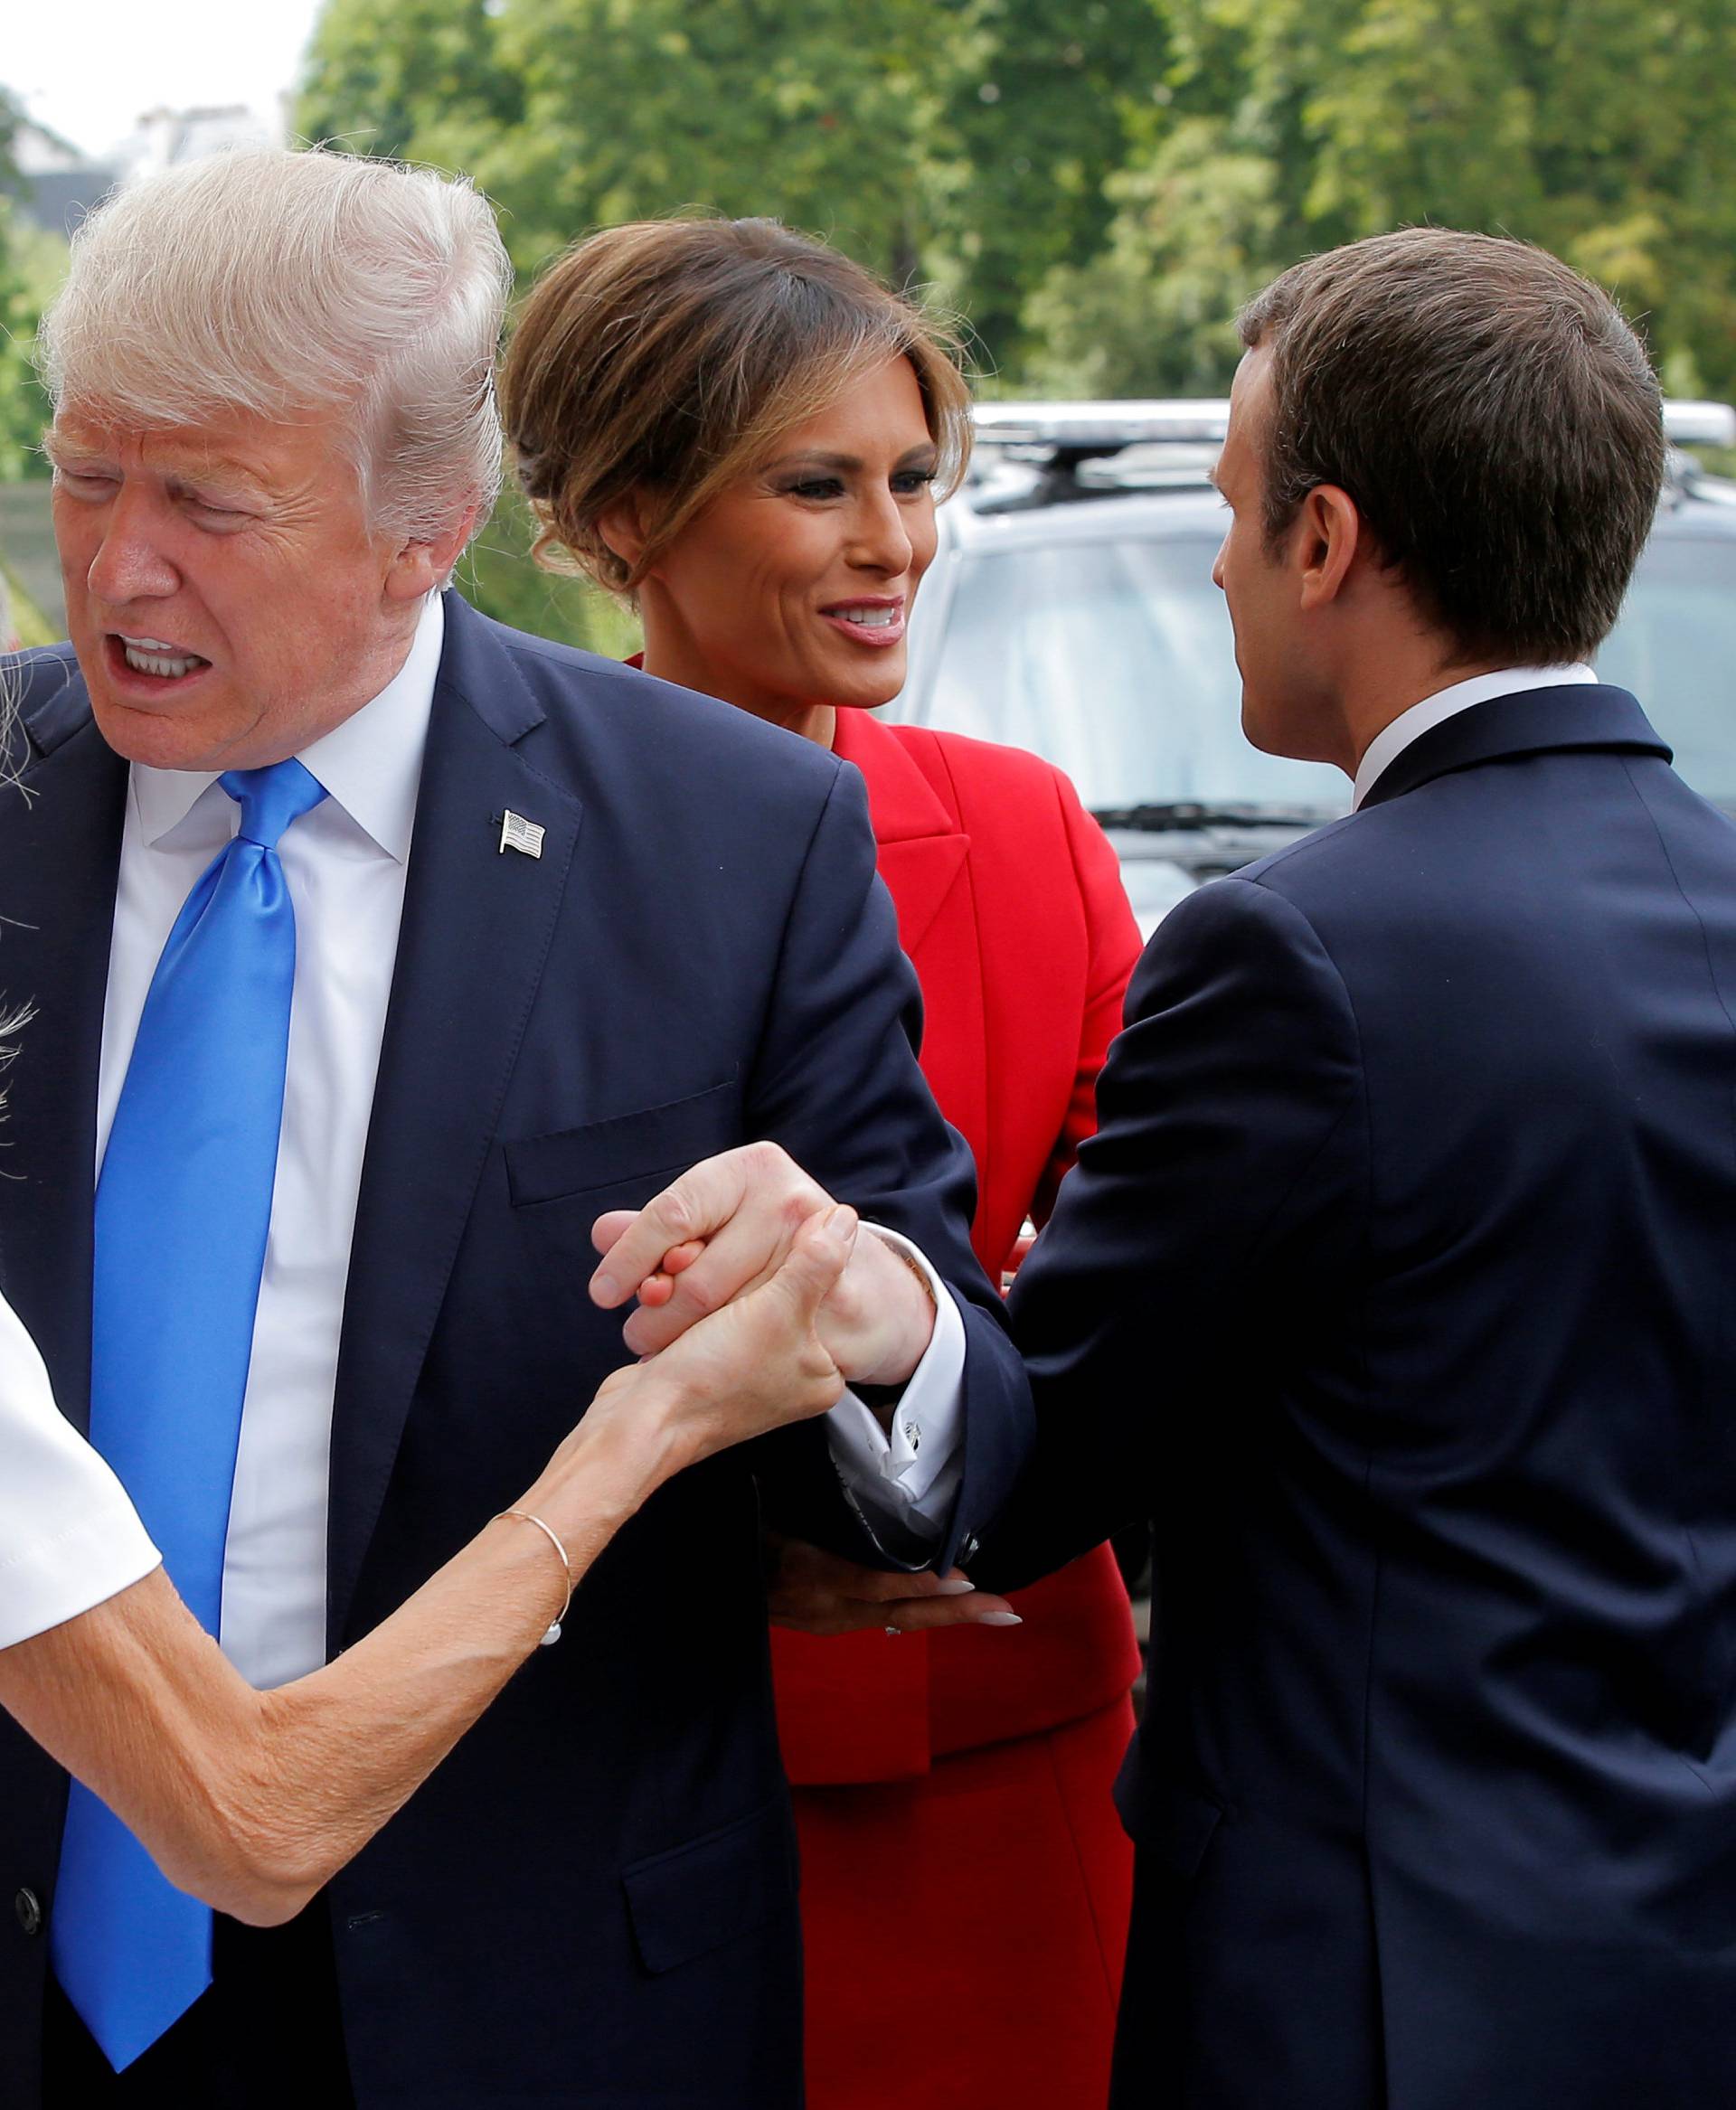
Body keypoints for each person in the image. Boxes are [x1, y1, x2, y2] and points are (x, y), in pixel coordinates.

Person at [601, 228, 1736, 2108]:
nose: (1216, 561)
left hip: (1361, 1970)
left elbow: (1046, 1456)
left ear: (1323, 542)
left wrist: (886, 1307)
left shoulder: (1295, 948)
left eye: (1230, 508)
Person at [0, 147, 1029, 2109]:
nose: (117, 564)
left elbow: (961, 1398)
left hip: (537, 1997)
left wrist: (868, 1310)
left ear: (429, 525)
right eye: (82, 470)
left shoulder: (736, 838)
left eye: (210, 503)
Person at [500, 214, 1144, 2109]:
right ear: (622, 519)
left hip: (999, 1772)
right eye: (819, 486)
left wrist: (945, 1467)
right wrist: (715, 1560)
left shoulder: (1027, 832)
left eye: (914, 481)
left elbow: (1136, 1297)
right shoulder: (479, 866)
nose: (897, 545)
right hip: (584, 1783)